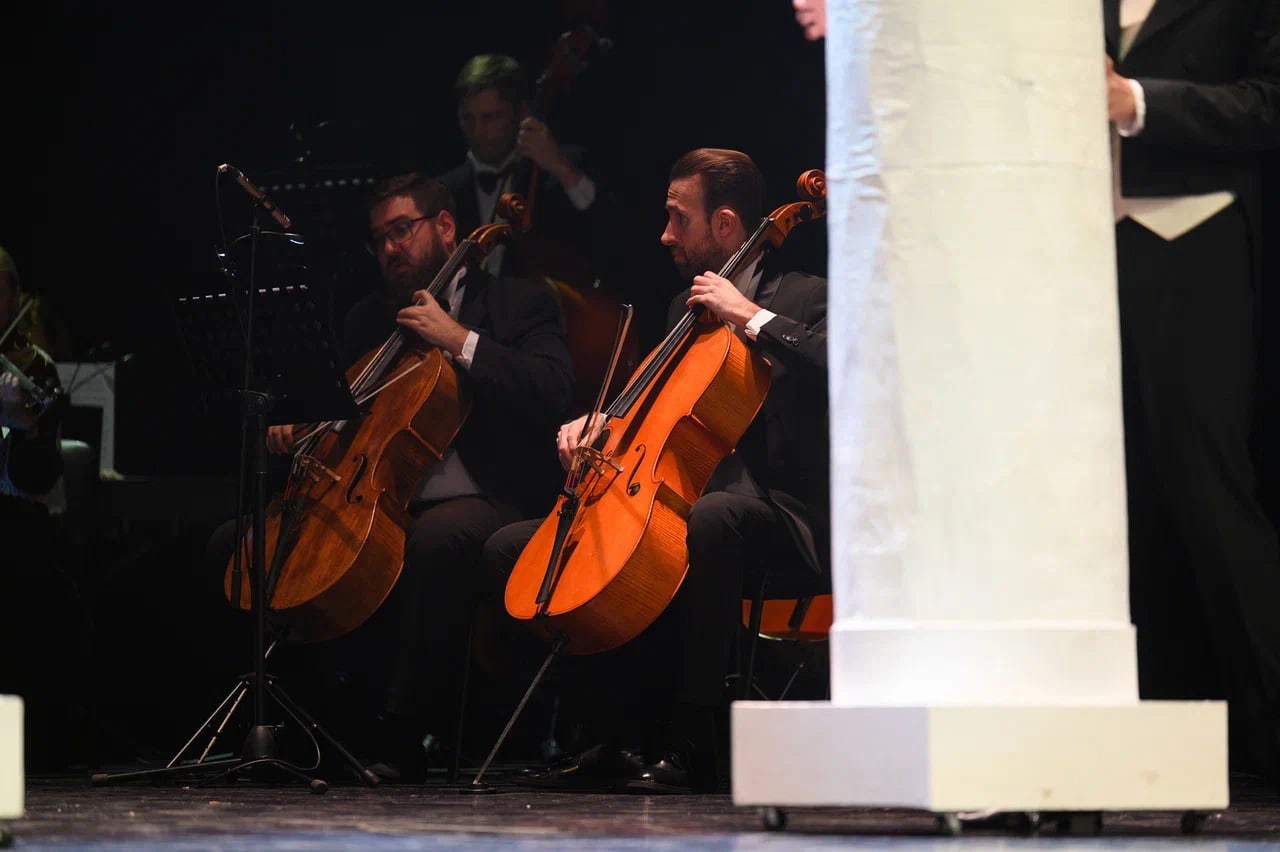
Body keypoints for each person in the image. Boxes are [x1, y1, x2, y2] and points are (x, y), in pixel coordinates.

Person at [481, 148, 830, 794]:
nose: (665, 235)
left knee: (712, 520)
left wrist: (749, 316)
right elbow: (661, 415)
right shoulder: (680, 312)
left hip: (782, 512)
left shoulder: (805, 296)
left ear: (724, 225)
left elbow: (845, 361)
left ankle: (693, 742)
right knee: (514, 549)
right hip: (672, 497)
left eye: (678, 218)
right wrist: (600, 424)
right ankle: (607, 734)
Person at [206, 172, 575, 783]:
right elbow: (343, 415)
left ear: (446, 227)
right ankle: (299, 730)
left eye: (401, 230)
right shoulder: (367, 321)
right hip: (375, 494)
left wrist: (458, 339)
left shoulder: (518, 303)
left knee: (435, 540)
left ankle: (404, 736)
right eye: (378, 239)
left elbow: (552, 390)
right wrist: (299, 423)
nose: (389, 249)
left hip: (486, 496)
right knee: (237, 546)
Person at [1105, 0, 1280, 783]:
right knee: (1113, 502)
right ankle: (1144, 735)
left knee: (1203, 484)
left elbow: (1269, 102)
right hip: (1075, 244)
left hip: (1194, 233)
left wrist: (1136, 101)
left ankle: (1266, 732)